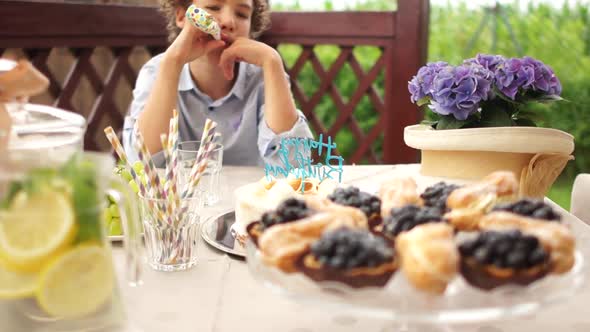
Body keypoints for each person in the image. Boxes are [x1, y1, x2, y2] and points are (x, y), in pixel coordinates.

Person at [122, 0, 313, 166]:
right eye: (213, 7)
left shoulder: (265, 76)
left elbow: (294, 165)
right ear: (181, 16)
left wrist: (272, 61)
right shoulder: (158, 71)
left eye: (242, 14)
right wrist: (173, 62)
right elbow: (144, 164)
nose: (229, 21)